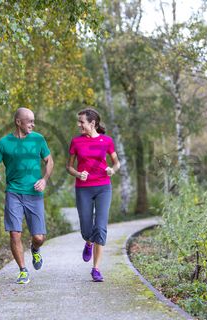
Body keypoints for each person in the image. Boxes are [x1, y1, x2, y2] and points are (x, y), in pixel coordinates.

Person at [0, 107, 54, 284]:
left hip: (34, 193)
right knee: (14, 233)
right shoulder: (3, 143)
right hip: (13, 192)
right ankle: (23, 270)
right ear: (19, 122)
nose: (33, 124)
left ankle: (34, 249)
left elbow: (49, 160)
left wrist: (44, 179)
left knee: (39, 237)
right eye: (30, 121)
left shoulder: (38, 139)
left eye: (33, 121)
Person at [66, 108, 120, 282]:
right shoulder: (76, 142)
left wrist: (112, 169)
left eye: (81, 122)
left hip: (103, 187)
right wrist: (77, 174)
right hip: (83, 188)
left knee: (101, 227)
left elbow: (116, 163)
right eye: (79, 121)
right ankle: (88, 242)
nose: (79, 124)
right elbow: (69, 167)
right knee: (87, 229)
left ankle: (96, 269)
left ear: (92, 123)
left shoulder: (107, 141)